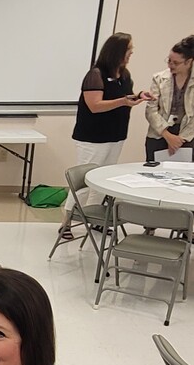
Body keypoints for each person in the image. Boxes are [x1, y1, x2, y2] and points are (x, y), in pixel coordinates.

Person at [60, 33, 151, 238]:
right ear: (117, 51)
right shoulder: (95, 74)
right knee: (83, 182)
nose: (131, 54)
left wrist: (138, 96)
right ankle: (66, 223)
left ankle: (95, 221)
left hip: (116, 135)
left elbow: (125, 97)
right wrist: (123, 101)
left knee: (102, 180)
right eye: (128, 50)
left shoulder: (124, 75)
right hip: (92, 138)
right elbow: (95, 105)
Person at [145, 35, 194, 161]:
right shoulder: (159, 78)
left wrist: (180, 139)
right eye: (169, 61)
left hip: (188, 136)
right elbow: (151, 111)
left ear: (188, 62)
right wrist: (167, 135)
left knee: (183, 177)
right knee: (154, 175)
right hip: (159, 133)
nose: (171, 65)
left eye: (176, 63)